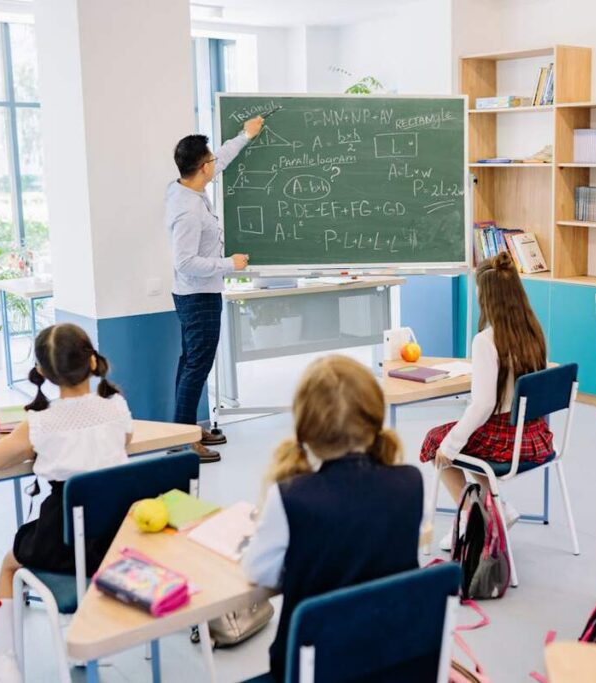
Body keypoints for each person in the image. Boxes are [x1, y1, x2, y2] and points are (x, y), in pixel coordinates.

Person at [242, 355, 423, 680]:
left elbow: (260, 571)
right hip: (395, 663)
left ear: (305, 429)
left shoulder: (290, 497)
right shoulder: (411, 481)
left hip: (313, 670)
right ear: (375, 418)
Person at [0, 324, 133, 683]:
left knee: (8, 566)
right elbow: (126, 440)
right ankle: (82, 633)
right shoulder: (116, 407)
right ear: (92, 361)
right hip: (117, 542)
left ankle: (6, 662)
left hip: (60, 542)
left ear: (44, 374)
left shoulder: (39, 422)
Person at [419, 251, 552, 551]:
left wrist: (449, 446)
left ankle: (473, 518)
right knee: (474, 441)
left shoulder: (486, 341)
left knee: (435, 443)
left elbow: (481, 405)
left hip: (505, 440)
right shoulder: (534, 332)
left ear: (488, 296)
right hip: (533, 435)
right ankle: (498, 508)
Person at [167, 115, 264, 463]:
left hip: (196, 294)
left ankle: (187, 428)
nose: (214, 163)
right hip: (198, 296)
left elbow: (220, 158)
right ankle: (185, 440)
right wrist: (229, 264)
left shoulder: (185, 186)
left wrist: (245, 136)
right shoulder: (188, 211)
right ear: (201, 168)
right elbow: (185, 262)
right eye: (210, 160)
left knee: (191, 362)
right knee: (197, 366)